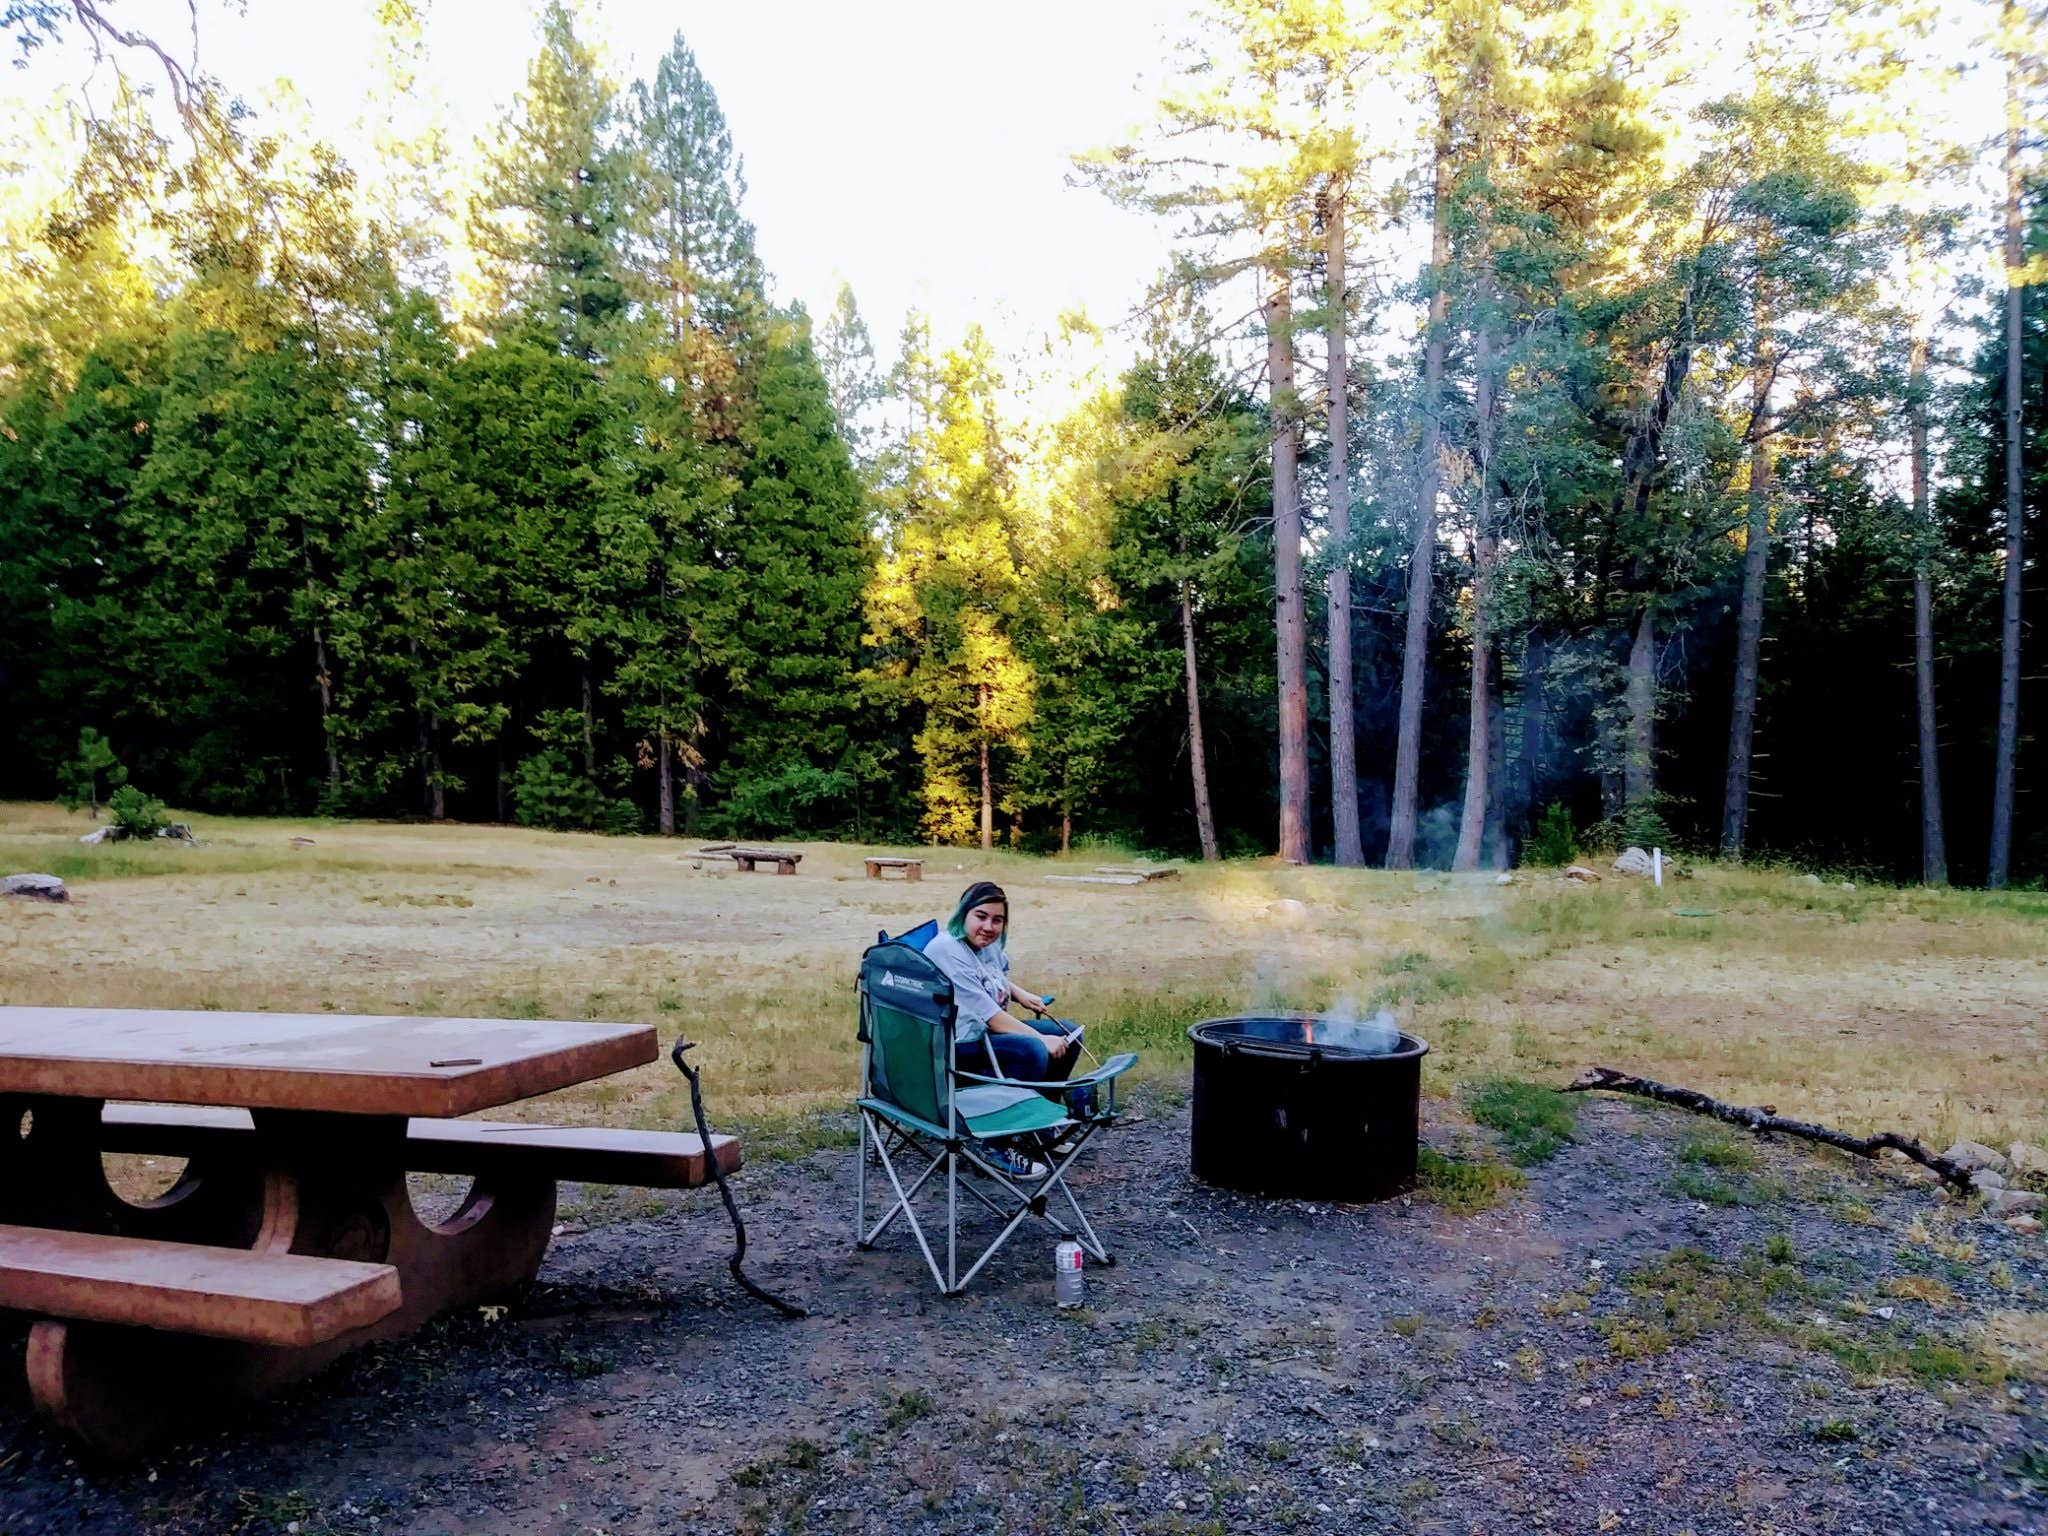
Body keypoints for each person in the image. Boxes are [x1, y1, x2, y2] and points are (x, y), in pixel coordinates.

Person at [923, 881, 1077, 1178]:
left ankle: (1038, 1127)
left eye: (998, 919)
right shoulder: (947, 950)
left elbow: (993, 977)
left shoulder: (987, 944)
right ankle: (994, 1144)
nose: (989, 926)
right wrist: (1040, 1038)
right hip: (955, 1045)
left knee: (1068, 1033)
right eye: (981, 916)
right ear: (963, 914)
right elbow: (992, 1017)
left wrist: (1020, 994)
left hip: (981, 1032)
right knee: (1032, 1048)